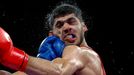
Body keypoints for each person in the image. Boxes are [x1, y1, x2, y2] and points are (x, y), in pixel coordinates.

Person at [0, 3, 106, 75]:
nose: (66, 28)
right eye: (59, 25)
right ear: (51, 35)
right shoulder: (58, 62)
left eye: (71, 21)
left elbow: (60, 71)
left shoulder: (82, 53)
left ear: (84, 27)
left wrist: (10, 54)